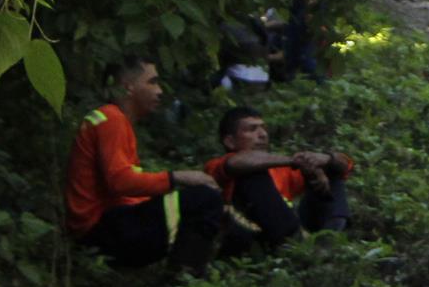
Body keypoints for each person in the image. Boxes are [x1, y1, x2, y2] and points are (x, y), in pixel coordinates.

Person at [65, 56, 224, 269]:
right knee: (204, 200)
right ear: (128, 87)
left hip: (104, 227)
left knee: (207, 204)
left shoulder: (113, 120)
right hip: (101, 232)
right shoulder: (111, 119)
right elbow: (120, 181)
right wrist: (178, 177)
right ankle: (184, 282)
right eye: (152, 82)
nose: (159, 91)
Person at [205, 107, 354, 247]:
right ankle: (295, 244)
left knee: (332, 171)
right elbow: (236, 162)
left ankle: (329, 241)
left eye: (263, 128)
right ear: (230, 142)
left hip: (291, 230)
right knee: (252, 176)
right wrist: (296, 161)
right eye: (252, 129)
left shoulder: (281, 168)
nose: (262, 134)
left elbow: (345, 166)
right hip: (248, 235)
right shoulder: (216, 166)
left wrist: (326, 159)